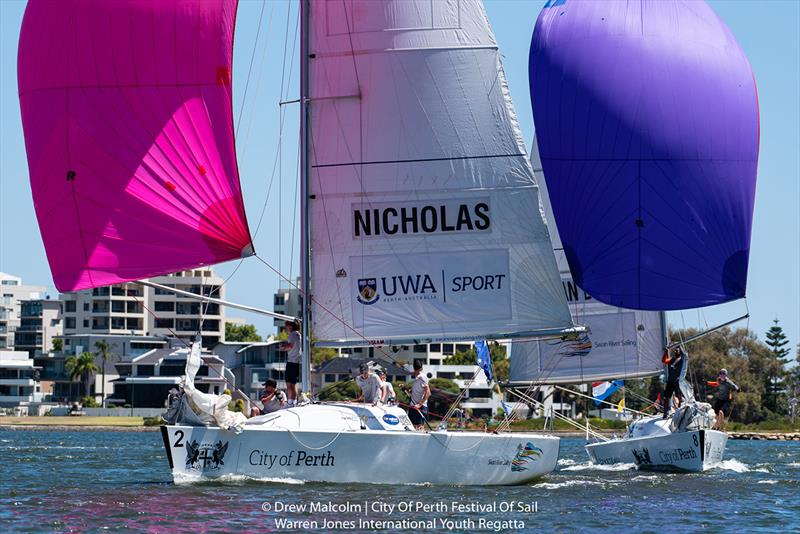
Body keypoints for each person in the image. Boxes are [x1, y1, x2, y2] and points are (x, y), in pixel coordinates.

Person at [661, 346, 686, 418]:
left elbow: (685, 355)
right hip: (670, 381)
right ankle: (665, 413)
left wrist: (680, 347)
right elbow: (664, 361)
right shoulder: (672, 359)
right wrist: (665, 352)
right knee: (666, 397)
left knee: (679, 396)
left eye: (677, 350)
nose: (676, 351)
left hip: (677, 381)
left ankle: (679, 411)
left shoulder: (682, 360)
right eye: (675, 350)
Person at [281, 320, 301, 406]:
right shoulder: (299, 335)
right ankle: (293, 401)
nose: (286, 328)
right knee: (293, 382)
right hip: (296, 361)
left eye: (287, 326)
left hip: (291, 361)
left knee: (290, 383)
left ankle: (291, 401)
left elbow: (290, 346)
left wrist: (283, 347)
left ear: (291, 326)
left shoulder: (292, 334)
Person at [407, 360, 431, 431]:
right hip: (413, 406)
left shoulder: (422, 377)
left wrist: (420, 404)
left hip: (420, 407)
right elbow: (418, 390)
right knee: (412, 428)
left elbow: (428, 393)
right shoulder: (416, 379)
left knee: (419, 428)